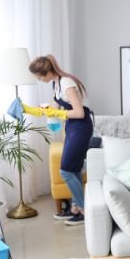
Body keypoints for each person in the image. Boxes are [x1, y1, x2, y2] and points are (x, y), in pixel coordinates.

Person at [24, 55, 93, 226]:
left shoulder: (67, 83)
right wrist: (28, 109)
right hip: (72, 127)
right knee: (74, 169)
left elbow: (79, 113)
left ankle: (84, 210)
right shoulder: (56, 83)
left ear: (47, 72)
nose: (39, 80)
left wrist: (57, 113)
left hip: (81, 127)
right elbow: (52, 109)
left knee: (66, 171)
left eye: (39, 77)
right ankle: (75, 208)